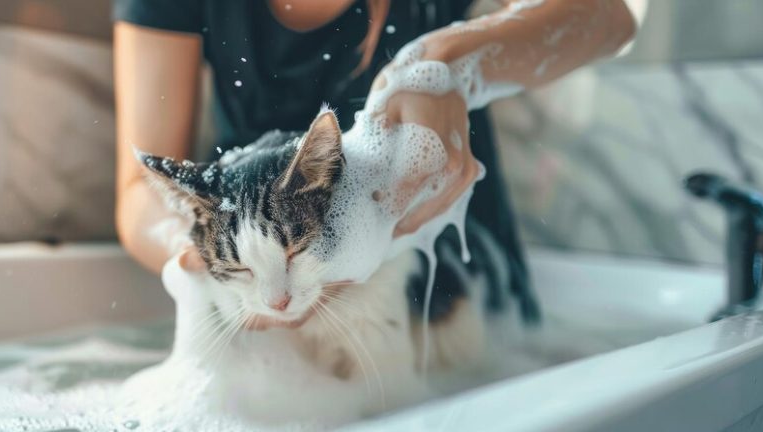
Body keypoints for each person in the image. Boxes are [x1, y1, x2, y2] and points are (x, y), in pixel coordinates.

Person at [113, 0, 639, 320]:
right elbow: (142, 194)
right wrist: (215, 269)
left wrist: (442, 64)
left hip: (457, 311)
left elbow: (609, 18)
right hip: (256, 296)